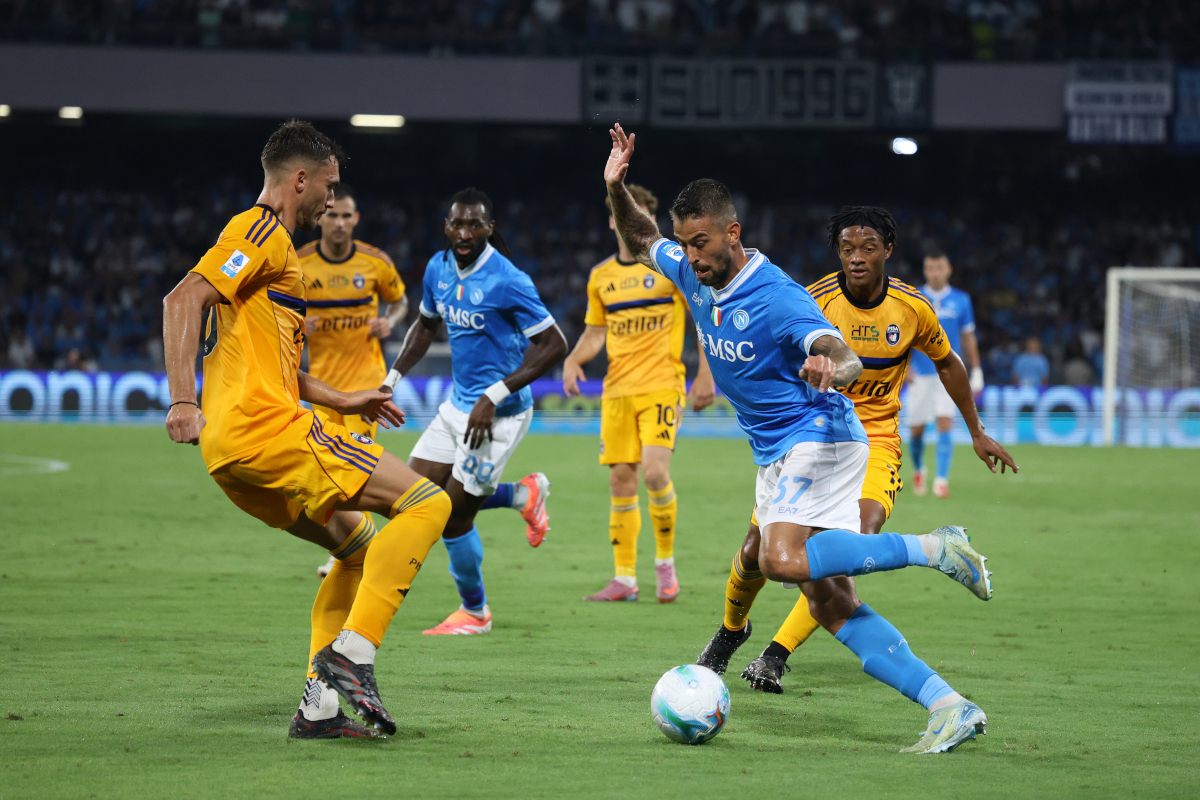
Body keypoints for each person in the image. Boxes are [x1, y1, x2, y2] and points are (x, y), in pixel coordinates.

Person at [605, 123, 996, 754]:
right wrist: (617, 186)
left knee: (776, 561)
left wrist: (828, 365)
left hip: (819, 436)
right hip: (778, 447)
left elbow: (839, 355)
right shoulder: (689, 265)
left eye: (701, 243)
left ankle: (935, 547)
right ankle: (949, 706)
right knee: (831, 602)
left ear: (732, 233)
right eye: (686, 244)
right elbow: (641, 236)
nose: (692, 256)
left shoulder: (777, 296)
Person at [161, 120, 451, 740]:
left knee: (356, 546)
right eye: (329, 183)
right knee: (429, 503)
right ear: (300, 178)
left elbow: (284, 371)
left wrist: (349, 398)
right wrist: (182, 399)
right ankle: (354, 653)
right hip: (268, 434)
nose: (332, 198)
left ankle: (317, 708)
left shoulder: (279, 258)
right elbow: (182, 300)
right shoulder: (259, 229)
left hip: (233, 456)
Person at [723, 207, 1017, 694]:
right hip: (813, 437)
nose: (856, 259)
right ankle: (730, 631)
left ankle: (776, 653)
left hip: (876, 438)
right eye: (847, 250)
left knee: (857, 535)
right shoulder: (810, 301)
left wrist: (976, 430)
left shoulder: (912, 307)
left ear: (888, 251)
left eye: (867, 249)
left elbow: (948, 363)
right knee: (757, 553)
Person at [380, 187, 568, 635]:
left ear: (488, 228)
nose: (464, 232)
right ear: (446, 227)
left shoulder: (508, 280)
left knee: (453, 516)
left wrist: (495, 395)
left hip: (499, 416)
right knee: (412, 498)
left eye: (474, 224)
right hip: (456, 407)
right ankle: (522, 495)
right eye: (456, 224)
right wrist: (390, 381)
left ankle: (475, 612)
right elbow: (424, 327)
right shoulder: (437, 268)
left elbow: (554, 344)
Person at [562, 185, 716, 603]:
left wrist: (706, 374)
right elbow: (596, 332)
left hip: (662, 384)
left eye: (641, 217)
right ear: (614, 220)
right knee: (620, 480)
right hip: (617, 391)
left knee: (653, 472)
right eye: (623, 214)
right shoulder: (601, 277)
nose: (631, 223)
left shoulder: (673, 269)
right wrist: (574, 359)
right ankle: (625, 578)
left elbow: (702, 318)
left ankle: (665, 563)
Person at [297, 183, 410, 579]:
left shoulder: (374, 262)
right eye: (333, 215)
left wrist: (389, 322)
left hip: (365, 387)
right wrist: (297, 323)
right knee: (328, 469)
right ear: (321, 217)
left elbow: (401, 302)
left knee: (355, 468)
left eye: (347, 216)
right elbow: (275, 310)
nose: (340, 223)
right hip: (322, 388)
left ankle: (353, 550)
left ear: (356, 219)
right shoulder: (299, 263)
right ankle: (353, 544)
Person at [906, 250, 984, 499]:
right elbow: (904, 337)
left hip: (949, 372)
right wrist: (904, 367)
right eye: (930, 268)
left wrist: (977, 369)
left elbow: (968, 336)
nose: (935, 272)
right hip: (920, 373)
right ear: (925, 270)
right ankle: (919, 469)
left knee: (945, 423)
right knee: (916, 430)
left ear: (948, 269)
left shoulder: (961, 300)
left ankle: (941, 480)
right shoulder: (914, 297)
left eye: (939, 267)